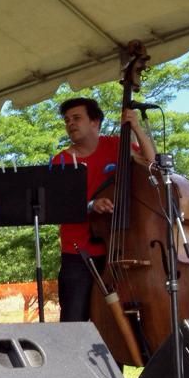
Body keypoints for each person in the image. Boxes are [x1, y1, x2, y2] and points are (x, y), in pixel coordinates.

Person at [52, 97, 156, 322]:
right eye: (67, 120)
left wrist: (136, 127)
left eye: (77, 118)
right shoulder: (61, 160)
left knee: (121, 320)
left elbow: (151, 164)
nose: (70, 123)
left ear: (95, 122)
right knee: (74, 319)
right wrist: (91, 205)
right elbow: (58, 206)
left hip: (120, 247)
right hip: (78, 252)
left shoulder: (116, 145)